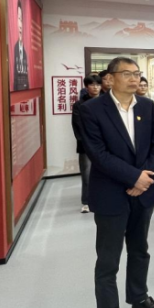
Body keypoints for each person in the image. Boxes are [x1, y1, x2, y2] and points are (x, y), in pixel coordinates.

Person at [79, 57, 154, 308]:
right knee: (108, 259)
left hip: (143, 192)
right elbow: (97, 153)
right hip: (111, 193)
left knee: (140, 249)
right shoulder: (91, 110)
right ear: (110, 78)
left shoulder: (147, 106)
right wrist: (134, 177)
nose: (134, 79)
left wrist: (143, 178)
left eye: (137, 73)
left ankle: (139, 298)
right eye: (127, 73)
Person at [71, 74, 102, 213]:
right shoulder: (79, 105)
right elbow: (77, 125)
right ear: (86, 87)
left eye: (98, 85)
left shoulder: (106, 102)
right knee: (87, 174)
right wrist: (88, 141)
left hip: (105, 144)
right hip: (86, 145)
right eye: (92, 85)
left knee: (106, 173)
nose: (95, 87)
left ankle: (103, 198)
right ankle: (86, 202)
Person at [13, 0, 30, 91]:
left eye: (21, 19)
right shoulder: (14, 50)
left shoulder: (25, 53)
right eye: (18, 19)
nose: (20, 25)